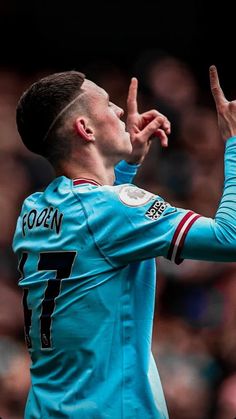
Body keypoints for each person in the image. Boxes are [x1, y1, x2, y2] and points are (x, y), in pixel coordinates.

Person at [12, 65, 236, 419]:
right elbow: (229, 237)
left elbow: (97, 233)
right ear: (85, 129)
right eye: (108, 104)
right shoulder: (114, 211)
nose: (120, 111)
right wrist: (233, 142)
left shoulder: (32, 211)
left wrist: (125, 164)